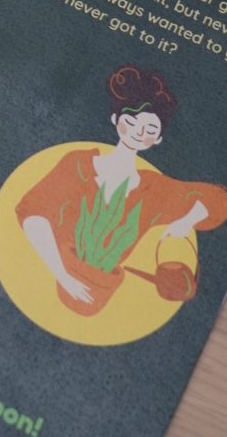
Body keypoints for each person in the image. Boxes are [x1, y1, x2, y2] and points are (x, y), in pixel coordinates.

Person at [17, 66, 227, 312]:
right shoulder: (79, 165)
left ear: (158, 139)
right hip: (51, 277)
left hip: (101, 291)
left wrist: (187, 220)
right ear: (115, 120)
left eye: (150, 130)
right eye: (132, 122)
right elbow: (34, 215)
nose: (139, 132)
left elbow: (217, 199)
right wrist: (62, 274)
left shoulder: (152, 189)